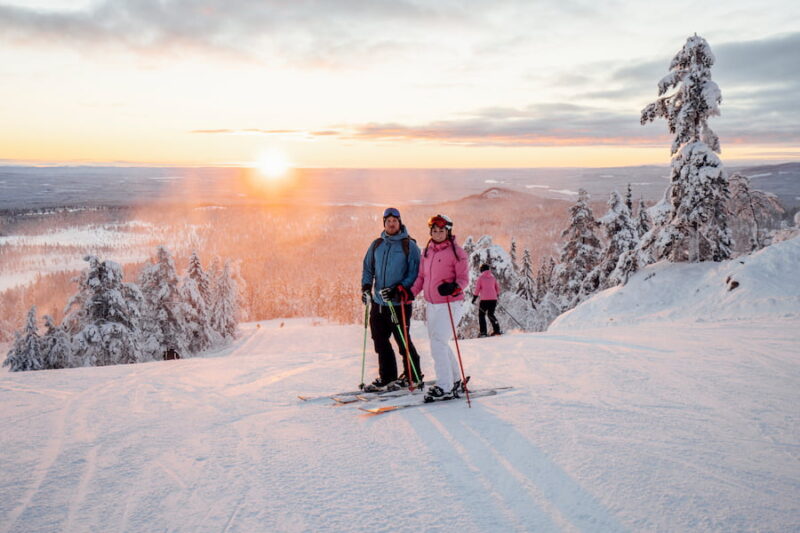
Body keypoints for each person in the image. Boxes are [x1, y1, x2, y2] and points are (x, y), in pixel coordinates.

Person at [361, 207, 423, 392]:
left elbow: (415, 272)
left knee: (402, 341)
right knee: (380, 341)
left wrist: (398, 290)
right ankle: (388, 377)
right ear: (384, 223)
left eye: (394, 221)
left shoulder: (409, 245)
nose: (391, 223)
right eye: (388, 221)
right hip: (379, 303)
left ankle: (414, 375)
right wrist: (365, 288)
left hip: (399, 303)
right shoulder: (377, 244)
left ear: (399, 222)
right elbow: (368, 268)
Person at [410, 214, 470, 401]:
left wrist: (454, 287)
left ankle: (445, 386)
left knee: (438, 342)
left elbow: (464, 279)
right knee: (440, 342)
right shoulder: (427, 251)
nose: (437, 234)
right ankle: (455, 379)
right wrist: (410, 293)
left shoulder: (457, 252)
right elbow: (421, 277)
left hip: (450, 303)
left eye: (441, 230)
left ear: (448, 231)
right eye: (434, 231)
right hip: (432, 304)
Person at [472, 264, 502, 337]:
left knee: (481, 315)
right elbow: (497, 288)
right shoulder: (493, 277)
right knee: (491, 314)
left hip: (484, 300)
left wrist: (474, 298)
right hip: (493, 300)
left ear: (482, 269)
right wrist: (496, 295)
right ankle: (497, 330)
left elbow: (477, 289)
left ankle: (483, 332)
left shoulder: (481, 277)